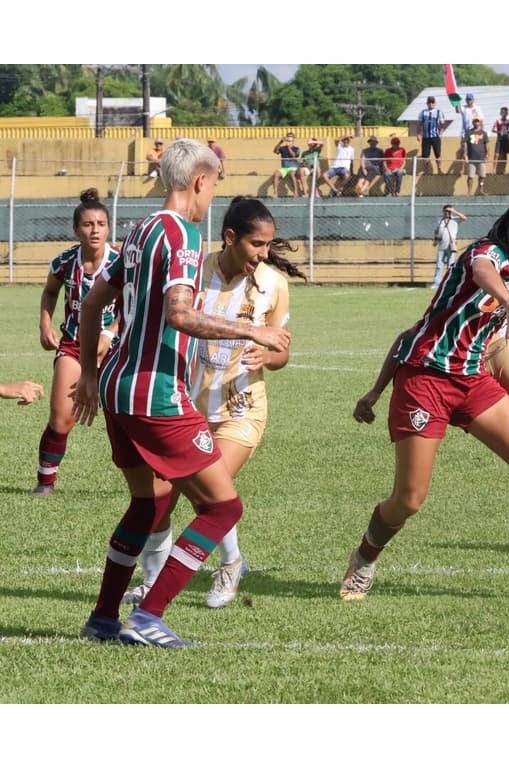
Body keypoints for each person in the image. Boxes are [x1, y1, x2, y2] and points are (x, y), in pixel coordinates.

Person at [74, 139, 291, 647]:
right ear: (199, 180)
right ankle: (149, 616)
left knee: (148, 505)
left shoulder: (141, 230)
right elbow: (180, 314)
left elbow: (90, 306)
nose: (214, 193)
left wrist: (87, 373)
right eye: (214, 182)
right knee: (222, 509)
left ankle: (104, 618)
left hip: (117, 387)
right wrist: (251, 331)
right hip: (157, 393)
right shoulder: (184, 236)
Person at [343, 192, 509, 604]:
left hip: (472, 381)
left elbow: (413, 330)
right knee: (409, 499)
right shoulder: (487, 253)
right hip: (425, 381)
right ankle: (364, 558)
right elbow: (483, 272)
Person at [121, 196, 305, 609]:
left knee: (209, 491)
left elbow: (282, 352)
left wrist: (269, 356)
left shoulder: (275, 286)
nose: (263, 254)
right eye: (256, 244)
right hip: (187, 405)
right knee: (160, 495)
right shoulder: (195, 271)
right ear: (229, 238)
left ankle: (230, 564)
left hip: (242, 409)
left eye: (267, 246)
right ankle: (152, 581)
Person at [32, 188, 120, 496]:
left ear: (108, 227)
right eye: (87, 224)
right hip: (73, 344)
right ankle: (45, 484)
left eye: (101, 224)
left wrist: (109, 333)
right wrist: (45, 322)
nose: (95, 230)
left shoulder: (121, 262)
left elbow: (135, 305)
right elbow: (51, 291)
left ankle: (150, 484)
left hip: (116, 348)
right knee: (61, 417)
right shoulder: (64, 262)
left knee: (127, 421)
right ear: (76, 229)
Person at [431, 204, 467, 289]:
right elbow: (436, 231)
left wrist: (453, 211)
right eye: (446, 211)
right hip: (442, 245)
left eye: (449, 211)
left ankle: (450, 282)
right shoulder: (440, 220)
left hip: (451, 245)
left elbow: (464, 218)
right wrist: (435, 240)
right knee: (439, 265)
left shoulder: (455, 219)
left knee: (451, 265)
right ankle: (437, 283)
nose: (447, 213)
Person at [417, 96, 448, 175]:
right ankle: (426, 170)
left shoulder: (439, 112)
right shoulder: (423, 112)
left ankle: (439, 169)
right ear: (427, 103)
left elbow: (443, 124)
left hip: (435, 136)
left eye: (432, 102)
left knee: (438, 154)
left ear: (435, 103)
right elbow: (419, 124)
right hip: (426, 137)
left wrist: (440, 134)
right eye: (429, 102)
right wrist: (418, 134)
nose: (431, 104)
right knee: (425, 155)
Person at [462, 118, 488, 195]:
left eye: (478, 121)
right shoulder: (468, 132)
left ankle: (481, 190)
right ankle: (469, 191)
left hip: (481, 158)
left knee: (482, 176)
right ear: (473, 122)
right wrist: (465, 154)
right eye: (475, 122)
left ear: (480, 122)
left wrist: (487, 154)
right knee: (470, 176)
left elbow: (486, 144)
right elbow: (465, 144)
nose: (476, 123)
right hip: (471, 158)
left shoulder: (483, 133)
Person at [270, 132, 301, 198]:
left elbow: (294, 156)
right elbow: (275, 151)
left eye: (291, 136)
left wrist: (289, 147)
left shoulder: (297, 148)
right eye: (288, 136)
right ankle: (275, 193)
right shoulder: (283, 148)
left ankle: (296, 192)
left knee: (292, 174)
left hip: (293, 167)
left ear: (293, 138)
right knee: (276, 173)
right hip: (284, 168)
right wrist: (280, 142)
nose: (290, 137)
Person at [492, 106, 509, 175]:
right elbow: (493, 130)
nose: (504, 114)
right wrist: (498, 132)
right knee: (497, 154)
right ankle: (494, 170)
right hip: (499, 139)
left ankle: (504, 169)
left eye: (505, 112)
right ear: (500, 113)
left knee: (504, 155)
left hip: (506, 139)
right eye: (502, 112)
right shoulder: (498, 121)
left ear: (507, 113)